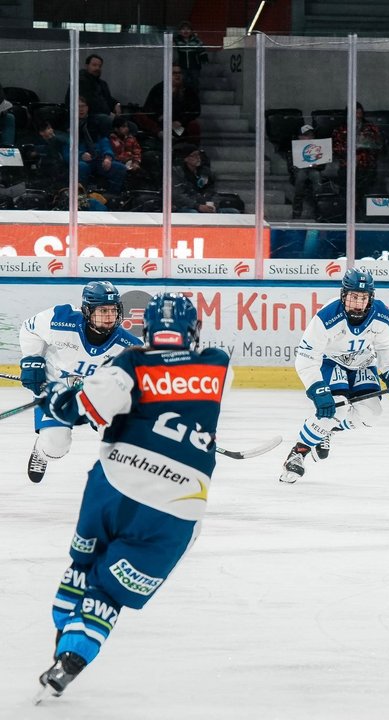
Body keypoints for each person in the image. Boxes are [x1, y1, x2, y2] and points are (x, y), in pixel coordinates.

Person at [33, 293, 229, 702]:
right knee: (108, 593)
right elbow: (182, 390)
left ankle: (63, 637)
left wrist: (60, 398)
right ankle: (71, 658)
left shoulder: (130, 363)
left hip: (115, 485)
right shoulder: (218, 363)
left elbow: (83, 410)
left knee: (83, 566)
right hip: (178, 505)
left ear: (146, 329)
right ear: (193, 330)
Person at [279, 269, 389, 483]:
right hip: (331, 361)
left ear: (371, 298)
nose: (358, 304)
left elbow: (386, 347)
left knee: (371, 413)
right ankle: (298, 454)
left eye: (363, 298)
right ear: (343, 295)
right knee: (337, 408)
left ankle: (326, 429)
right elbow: (306, 357)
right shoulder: (327, 316)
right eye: (353, 297)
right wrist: (316, 388)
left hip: (363, 362)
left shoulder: (382, 315)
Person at [18, 281, 142, 482]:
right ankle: (41, 453)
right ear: (87, 311)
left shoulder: (129, 347)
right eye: (103, 311)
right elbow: (29, 329)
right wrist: (32, 360)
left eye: (113, 310)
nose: (109, 317)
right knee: (55, 446)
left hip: (96, 396)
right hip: (55, 388)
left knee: (123, 438)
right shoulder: (60, 319)